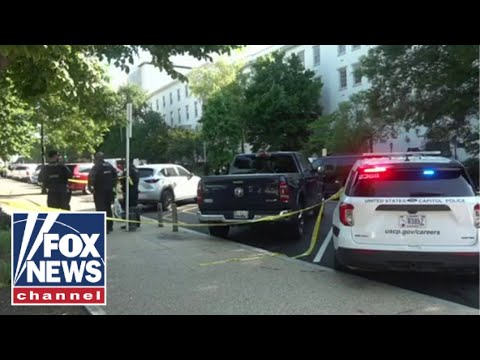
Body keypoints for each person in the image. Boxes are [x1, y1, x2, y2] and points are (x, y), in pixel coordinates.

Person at [88, 152, 118, 234]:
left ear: (97, 158)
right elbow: (116, 175)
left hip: (99, 191)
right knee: (108, 208)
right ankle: (110, 226)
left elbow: (91, 177)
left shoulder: (96, 167)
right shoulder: (109, 165)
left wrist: (90, 187)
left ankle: (104, 228)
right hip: (109, 190)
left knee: (101, 209)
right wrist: (113, 186)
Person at [120, 161, 140, 230]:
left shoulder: (129, 171)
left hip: (129, 192)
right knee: (134, 207)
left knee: (128, 208)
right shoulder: (135, 169)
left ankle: (130, 224)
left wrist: (123, 188)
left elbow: (124, 181)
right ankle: (137, 223)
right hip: (135, 191)